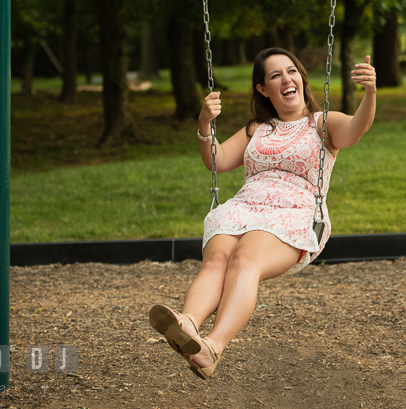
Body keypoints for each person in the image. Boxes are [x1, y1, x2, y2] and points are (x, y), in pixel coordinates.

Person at [150, 47, 376, 379]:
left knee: (244, 259)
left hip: (293, 213)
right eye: (275, 75)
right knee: (216, 261)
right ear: (262, 89)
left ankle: (213, 346)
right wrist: (204, 124)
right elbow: (217, 160)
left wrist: (369, 93)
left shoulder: (322, 123)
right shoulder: (258, 128)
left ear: (301, 78)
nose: (287, 79)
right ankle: (187, 324)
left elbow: (357, 127)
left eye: (292, 71)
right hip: (243, 208)